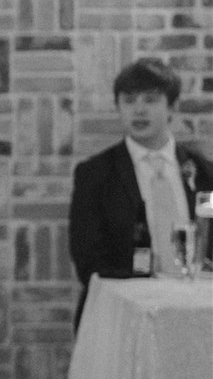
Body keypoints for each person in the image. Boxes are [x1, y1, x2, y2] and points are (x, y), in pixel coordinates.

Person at [69, 58, 212, 323]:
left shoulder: (205, 173)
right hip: (122, 314)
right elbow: (89, 260)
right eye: (129, 100)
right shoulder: (95, 175)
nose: (139, 110)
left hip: (197, 312)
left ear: (172, 107)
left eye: (150, 100)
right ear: (118, 107)